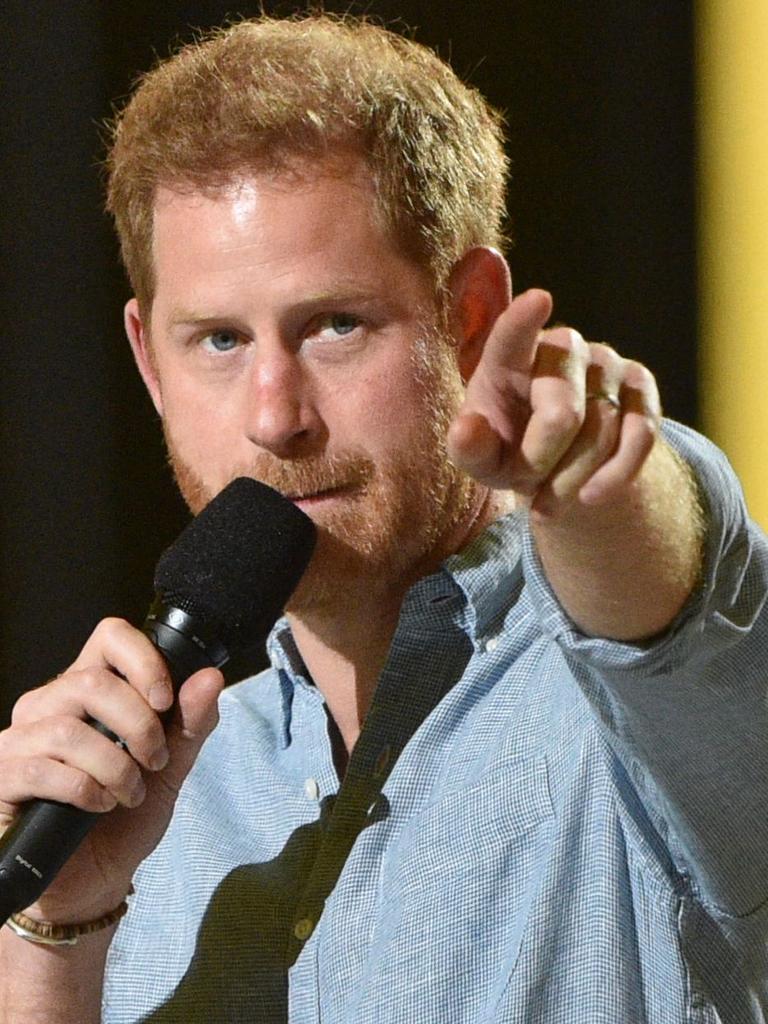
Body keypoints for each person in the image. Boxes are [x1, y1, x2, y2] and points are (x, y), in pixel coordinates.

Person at [0, 13, 766, 1023]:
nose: (275, 416)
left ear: (473, 315)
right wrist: (59, 926)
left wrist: (597, 479)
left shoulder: (642, 703)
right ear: (149, 361)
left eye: (334, 325)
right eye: (220, 340)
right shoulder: (150, 797)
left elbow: (673, 586)